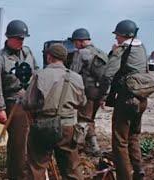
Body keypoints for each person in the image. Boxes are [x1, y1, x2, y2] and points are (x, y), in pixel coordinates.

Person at [23, 43, 87, 179]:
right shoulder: (76, 78)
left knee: (37, 168)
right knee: (72, 169)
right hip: (68, 128)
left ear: (49, 57)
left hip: (43, 126)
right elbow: (82, 102)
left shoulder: (40, 75)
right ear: (64, 58)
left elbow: (28, 103)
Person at [0, 19, 37, 179]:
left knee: (33, 141)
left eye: (23, 38)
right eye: (18, 38)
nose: (21, 42)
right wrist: (0, 109)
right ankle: (17, 176)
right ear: (9, 37)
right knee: (18, 144)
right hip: (13, 102)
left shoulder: (28, 53)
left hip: (30, 100)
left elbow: (36, 72)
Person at [100, 19, 148, 180]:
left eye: (118, 36)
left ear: (125, 35)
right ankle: (138, 169)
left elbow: (108, 74)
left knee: (120, 141)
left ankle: (125, 177)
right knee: (134, 136)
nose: (116, 39)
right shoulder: (141, 47)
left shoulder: (122, 49)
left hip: (126, 99)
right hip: (141, 99)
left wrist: (103, 96)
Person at [68, 28, 108, 156]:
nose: (74, 45)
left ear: (80, 42)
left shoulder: (81, 53)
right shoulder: (100, 52)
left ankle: (83, 146)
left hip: (87, 92)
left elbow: (73, 74)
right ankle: (90, 145)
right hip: (100, 92)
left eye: (75, 42)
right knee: (90, 119)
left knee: (83, 119)